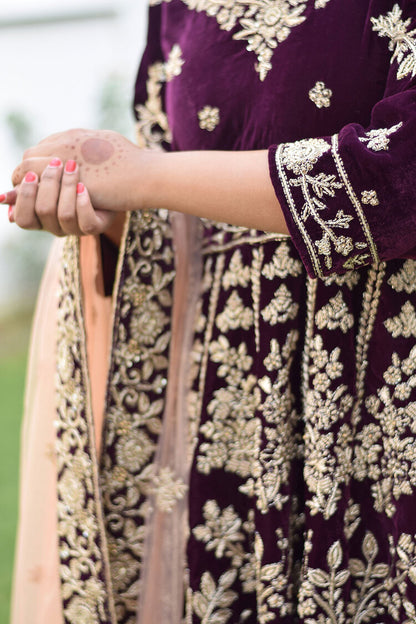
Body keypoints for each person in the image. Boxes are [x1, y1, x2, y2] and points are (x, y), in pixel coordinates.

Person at [5, 1, 416, 622]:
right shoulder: (171, 8)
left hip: (382, 402)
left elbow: (395, 182)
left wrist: (139, 176)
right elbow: (174, 205)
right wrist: (114, 216)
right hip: (231, 417)